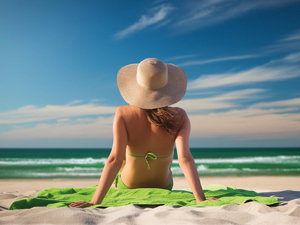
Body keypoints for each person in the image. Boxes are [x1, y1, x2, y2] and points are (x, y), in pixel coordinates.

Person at [69, 58, 218, 208]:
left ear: (137, 86)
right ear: (167, 86)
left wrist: (95, 202)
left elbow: (115, 160)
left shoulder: (123, 113)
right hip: (163, 186)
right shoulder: (180, 116)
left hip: (128, 185)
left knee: (125, 159)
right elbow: (185, 159)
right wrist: (201, 199)